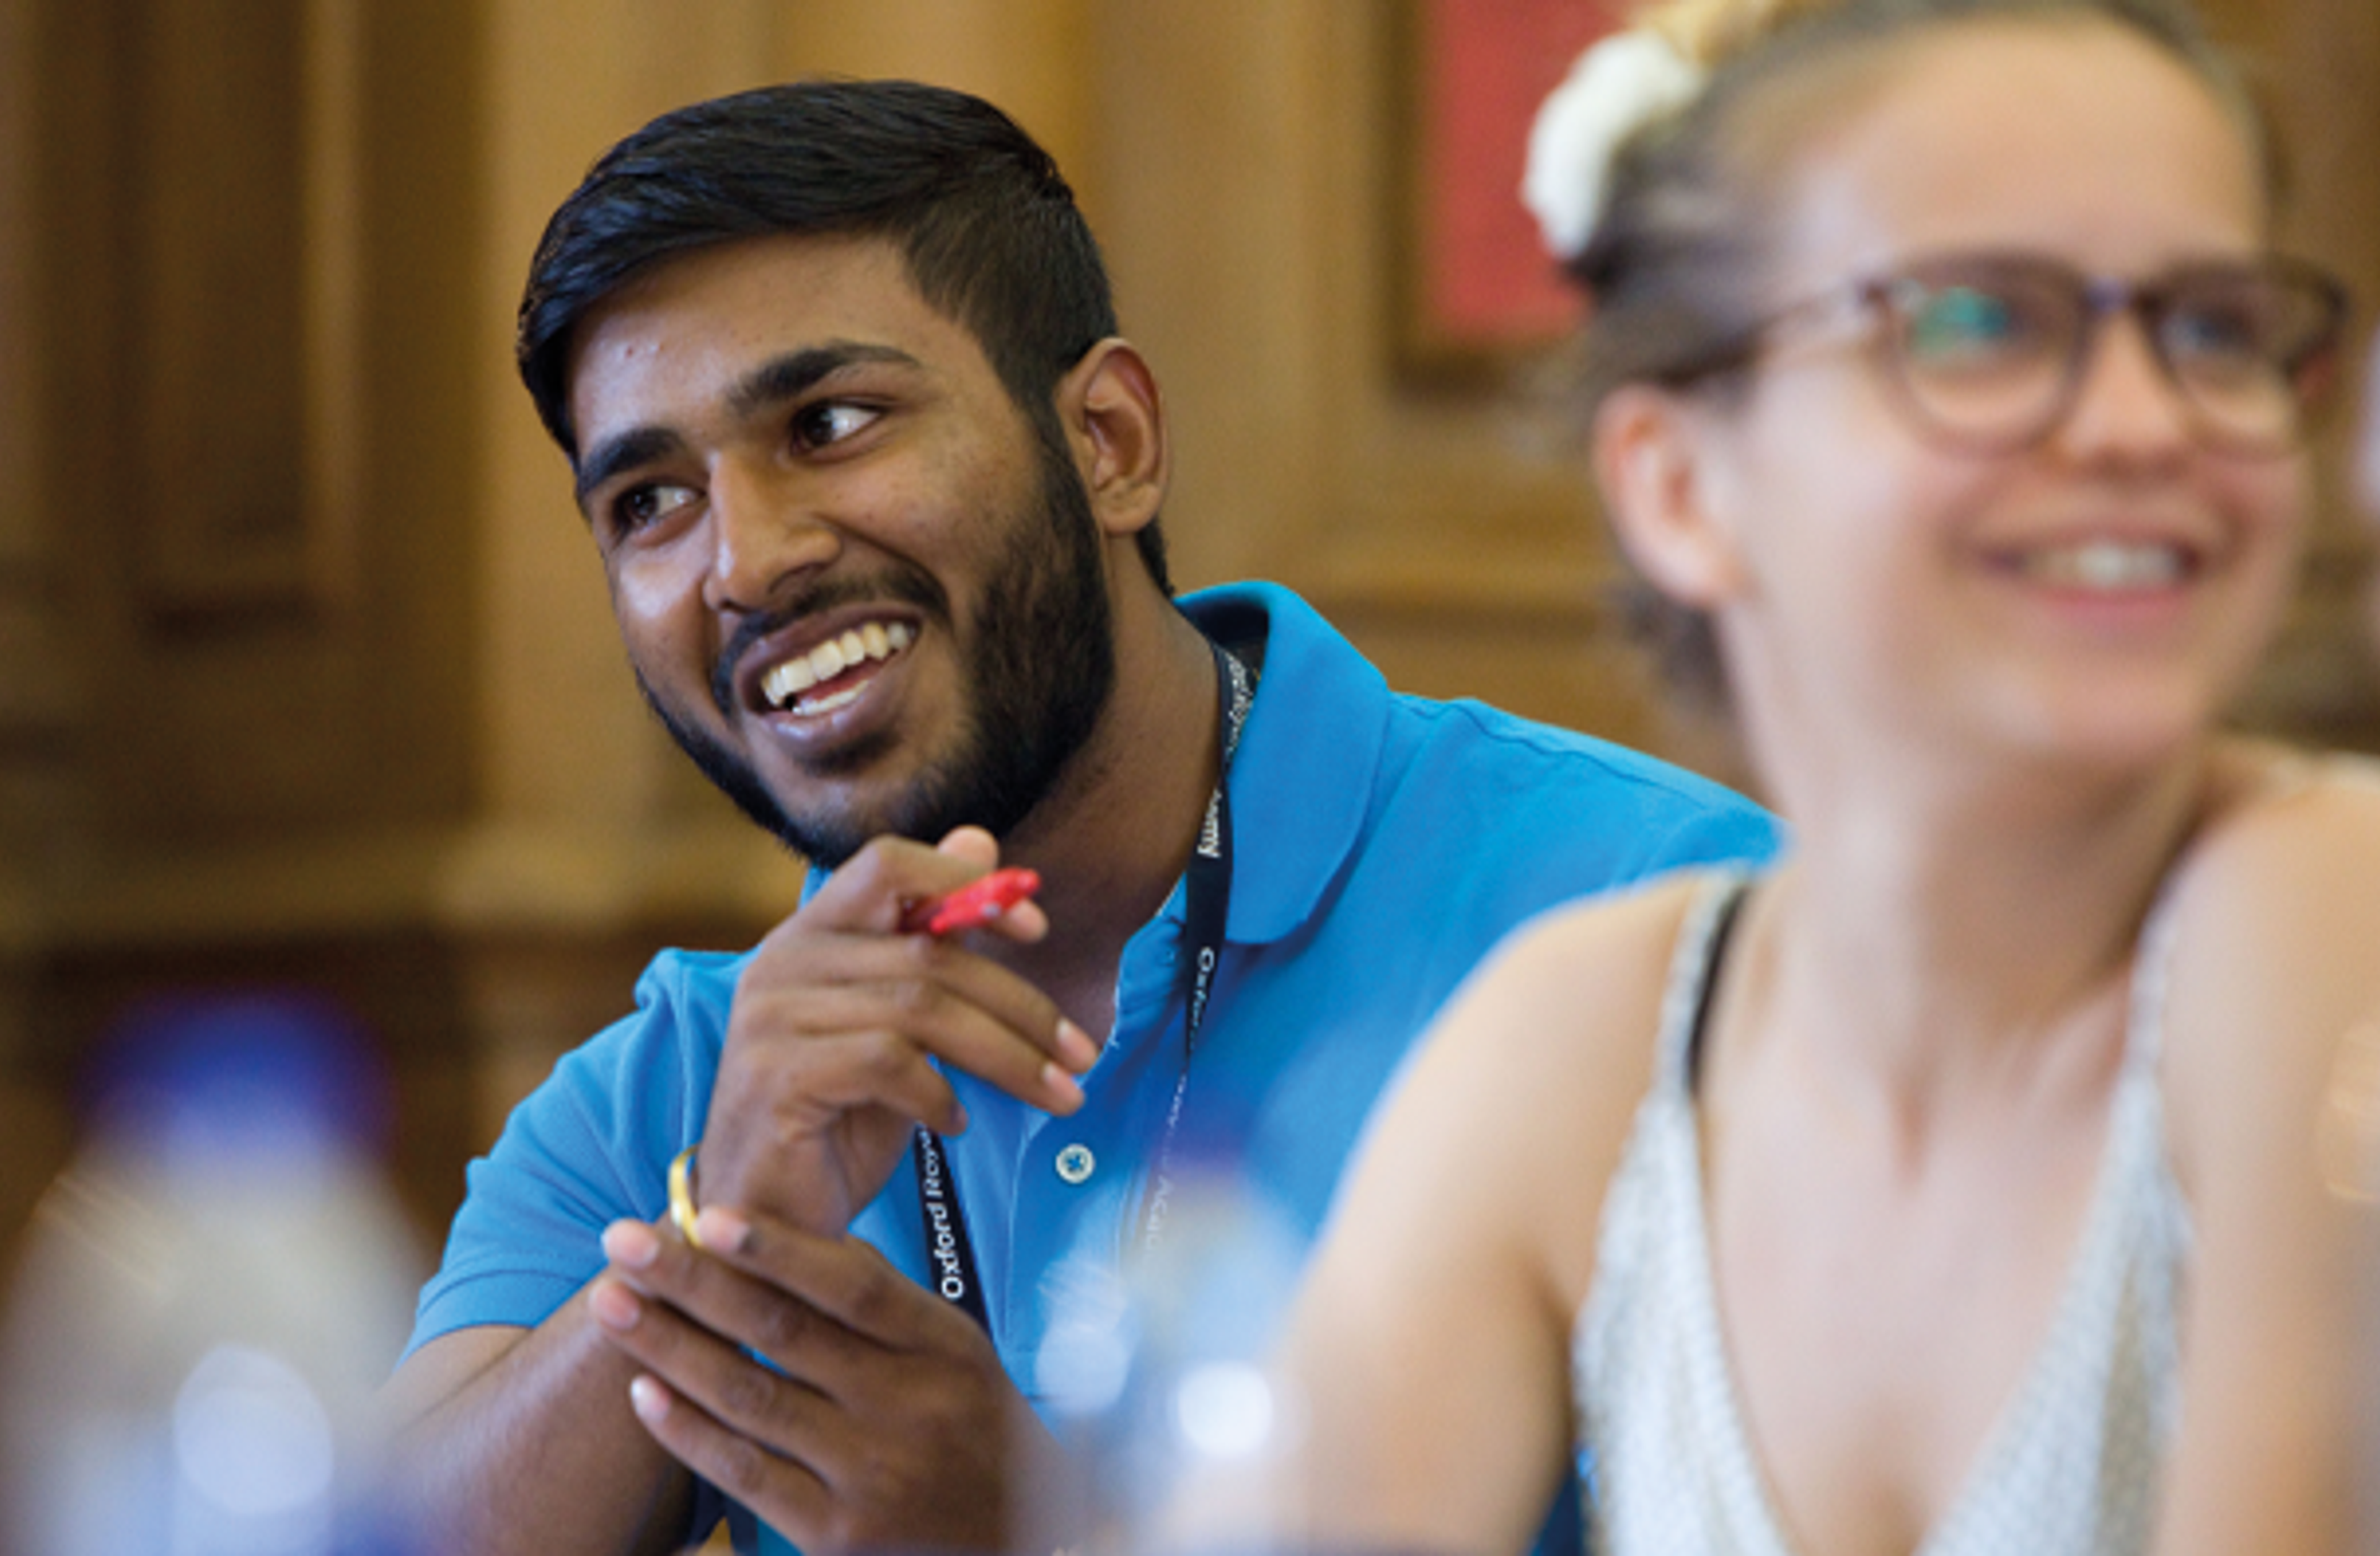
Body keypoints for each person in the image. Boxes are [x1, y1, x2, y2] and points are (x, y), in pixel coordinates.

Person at [379, 78, 1779, 1555]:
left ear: (1107, 440)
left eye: (833, 421)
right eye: (650, 502)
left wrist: (1053, 1536)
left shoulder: (1656, 915)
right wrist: (713, 1230)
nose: (747, 560)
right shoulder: (678, 1094)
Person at [1236, 1, 2380, 1554]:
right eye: (1980, 324)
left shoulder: (2321, 906)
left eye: (2213, 328)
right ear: (1683, 483)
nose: (2141, 421)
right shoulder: (1593, 1039)